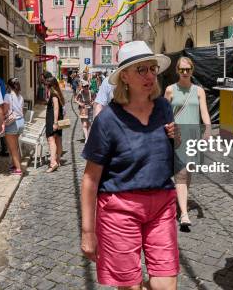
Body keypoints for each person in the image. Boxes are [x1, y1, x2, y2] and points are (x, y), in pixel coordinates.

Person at [80, 41, 179, 289]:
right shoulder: (107, 120)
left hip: (162, 204)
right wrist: (88, 232)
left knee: (166, 285)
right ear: (124, 76)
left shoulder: (164, 108)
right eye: (141, 70)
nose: (149, 75)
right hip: (119, 209)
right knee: (129, 286)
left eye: (152, 69)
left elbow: (169, 154)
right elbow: (90, 179)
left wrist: (176, 138)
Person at [164, 57, 211, 230]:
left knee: (187, 172)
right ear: (177, 70)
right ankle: (183, 213)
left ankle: (180, 199)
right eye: (182, 69)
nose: (185, 72)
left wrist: (207, 130)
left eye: (188, 69)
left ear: (192, 70)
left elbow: (204, 112)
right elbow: (164, 113)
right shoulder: (170, 90)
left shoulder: (199, 91)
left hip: (193, 136)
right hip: (177, 137)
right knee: (181, 173)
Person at [4, 77, 25, 176]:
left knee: (13, 148)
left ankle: (18, 169)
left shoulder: (7, 96)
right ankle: (15, 165)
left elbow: (5, 110)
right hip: (20, 121)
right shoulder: (20, 96)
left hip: (12, 122)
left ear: (8, 86)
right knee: (15, 147)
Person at [45, 77, 64, 173]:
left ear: (49, 85)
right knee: (58, 139)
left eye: (46, 84)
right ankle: (58, 160)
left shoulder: (53, 95)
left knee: (51, 140)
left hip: (53, 119)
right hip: (58, 118)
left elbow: (56, 108)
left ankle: (53, 163)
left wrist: (55, 122)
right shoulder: (58, 93)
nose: (45, 86)